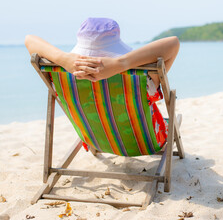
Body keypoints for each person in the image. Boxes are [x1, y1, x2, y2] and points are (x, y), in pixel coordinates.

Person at [25, 17, 180, 147]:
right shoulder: (142, 77)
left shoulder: (61, 73)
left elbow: (29, 39)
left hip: (94, 138)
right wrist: (121, 63)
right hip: (146, 142)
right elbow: (173, 43)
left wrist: (63, 59)